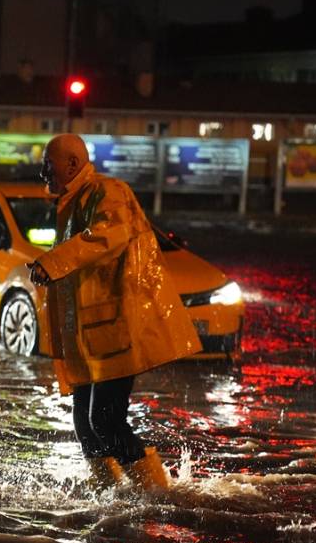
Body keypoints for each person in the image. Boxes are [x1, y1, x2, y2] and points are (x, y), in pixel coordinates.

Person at [28, 133, 201, 490]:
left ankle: (156, 494)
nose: (43, 172)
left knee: (104, 420)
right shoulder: (74, 201)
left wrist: (53, 261)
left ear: (73, 164)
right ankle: (108, 493)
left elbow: (109, 236)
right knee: (84, 424)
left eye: (49, 164)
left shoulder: (107, 192)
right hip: (91, 336)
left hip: (114, 331)